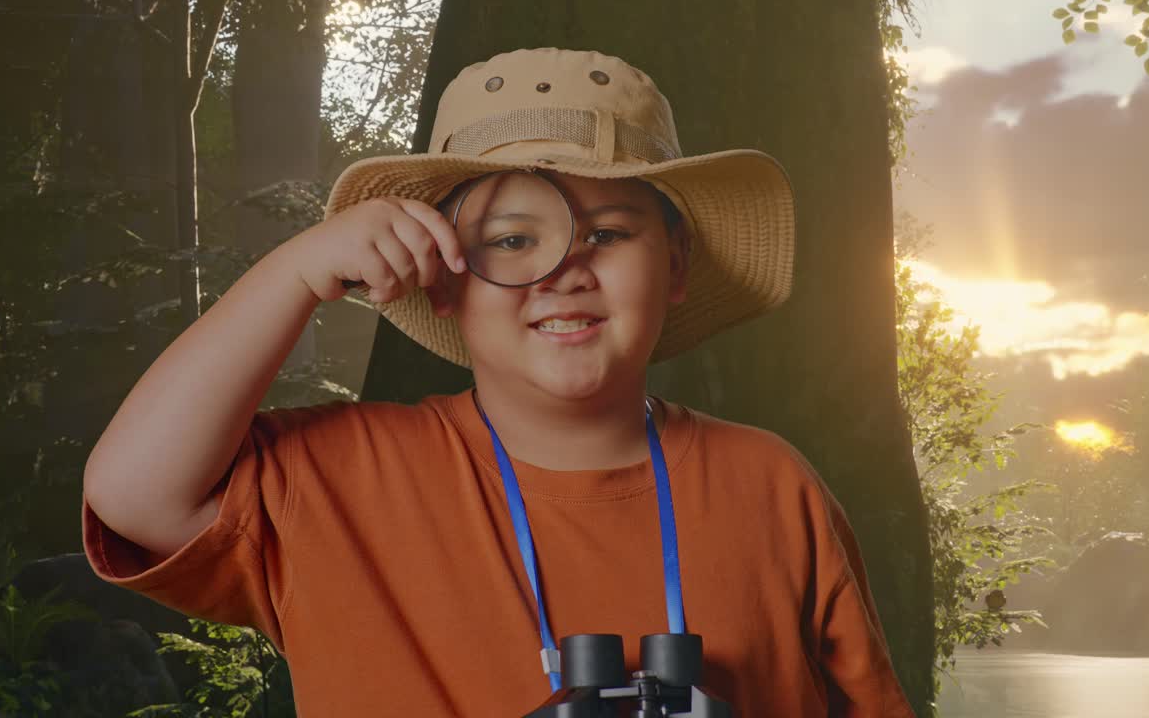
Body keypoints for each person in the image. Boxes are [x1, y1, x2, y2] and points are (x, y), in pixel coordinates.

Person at [82, 47, 916, 717]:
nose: (566, 272)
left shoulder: (771, 485)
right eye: (513, 241)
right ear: (443, 280)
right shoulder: (343, 478)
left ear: (676, 268)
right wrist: (291, 274)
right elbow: (134, 497)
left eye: (611, 234)